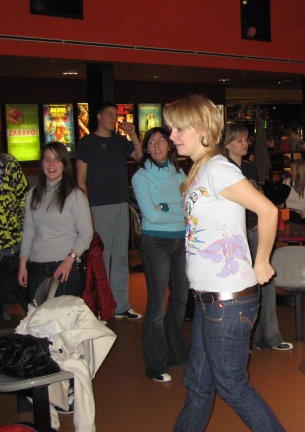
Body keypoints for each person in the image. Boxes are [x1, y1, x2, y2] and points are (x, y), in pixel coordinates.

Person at [164, 94, 284, 432]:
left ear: (202, 129)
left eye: (179, 128)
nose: (172, 136)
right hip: (209, 300)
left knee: (231, 385)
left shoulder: (218, 169)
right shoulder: (200, 169)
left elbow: (268, 210)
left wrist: (262, 261)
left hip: (228, 300)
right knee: (199, 385)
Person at [223, 123, 293, 352]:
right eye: (239, 140)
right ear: (227, 144)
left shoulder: (250, 168)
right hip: (236, 235)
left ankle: (269, 337)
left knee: (266, 283)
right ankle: (243, 339)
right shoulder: (223, 169)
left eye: (245, 139)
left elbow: (258, 199)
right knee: (243, 288)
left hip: (254, 230)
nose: (245, 144)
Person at [131, 127, 189, 383]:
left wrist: (167, 206)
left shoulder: (179, 173)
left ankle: (176, 352)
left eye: (161, 141)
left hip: (181, 241)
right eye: (151, 142)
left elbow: (190, 208)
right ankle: (155, 363)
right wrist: (176, 210)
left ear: (170, 145)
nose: (156, 146)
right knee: (156, 306)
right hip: (156, 242)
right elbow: (152, 216)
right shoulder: (141, 177)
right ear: (146, 148)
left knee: (180, 300)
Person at [76, 102, 143, 320]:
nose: (114, 118)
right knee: (101, 259)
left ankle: (121, 305)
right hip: (98, 206)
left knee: (121, 257)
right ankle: (101, 307)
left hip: (120, 203)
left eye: (116, 115)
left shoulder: (120, 141)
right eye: (109, 114)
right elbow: (80, 180)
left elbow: (141, 157)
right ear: (98, 116)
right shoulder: (87, 143)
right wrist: (87, 211)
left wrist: (133, 135)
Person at [18, 142, 93, 301]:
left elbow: (86, 234)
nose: (51, 164)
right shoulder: (32, 195)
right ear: (42, 163)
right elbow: (29, 232)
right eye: (47, 159)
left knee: (63, 322)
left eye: (57, 160)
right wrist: (23, 264)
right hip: (37, 266)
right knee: (39, 321)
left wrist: (69, 260)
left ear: (64, 164)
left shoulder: (75, 195)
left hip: (66, 267)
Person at [0, 151, 28, 325]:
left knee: (28, 299)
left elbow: (23, 199)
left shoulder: (10, 163)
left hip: (15, 246)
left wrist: (26, 237)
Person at [283, 158, 305, 226]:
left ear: (300, 172)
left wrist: (299, 215)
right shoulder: (286, 182)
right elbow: (281, 202)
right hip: (286, 214)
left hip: (299, 217)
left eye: (292, 169)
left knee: (293, 217)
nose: (289, 171)